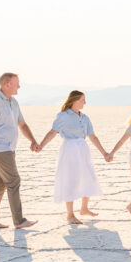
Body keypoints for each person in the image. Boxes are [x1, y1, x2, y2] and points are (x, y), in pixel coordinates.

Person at [37, 90, 109, 224]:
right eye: (82, 100)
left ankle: (84, 209)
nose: (85, 102)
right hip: (70, 150)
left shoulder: (85, 118)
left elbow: (93, 137)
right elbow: (53, 132)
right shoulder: (63, 116)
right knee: (70, 180)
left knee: (88, 177)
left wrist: (104, 153)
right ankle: (70, 215)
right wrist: (41, 145)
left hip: (83, 149)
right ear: (74, 100)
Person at [0, 72, 39, 229]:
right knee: (14, 181)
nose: (19, 86)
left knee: (0, 183)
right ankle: (19, 221)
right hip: (0, 149)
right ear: (7, 84)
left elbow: (22, 124)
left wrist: (33, 140)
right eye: (16, 83)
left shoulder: (13, 102)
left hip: (10, 148)